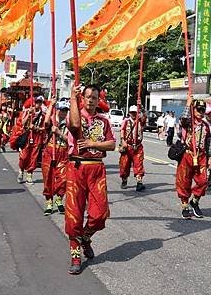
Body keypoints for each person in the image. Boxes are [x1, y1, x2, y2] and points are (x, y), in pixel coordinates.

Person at [65, 83, 116, 275]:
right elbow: (75, 125)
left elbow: (111, 145)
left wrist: (93, 143)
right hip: (77, 168)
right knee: (74, 214)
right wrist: (72, 97)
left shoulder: (103, 121)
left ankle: (85, 237)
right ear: (82, 98)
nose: (92, 100)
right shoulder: (75, 114)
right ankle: (76, 254)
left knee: (100, 214)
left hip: (96, 169)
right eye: (88, 97)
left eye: (95, 97)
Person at [175, 98, 211, 219]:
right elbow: (183, 119)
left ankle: (195, 201)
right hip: (187, 155)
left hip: (201, 156)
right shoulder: (188, 122)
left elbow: (209, 143)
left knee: (203, 180)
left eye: (203, 110)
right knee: (184, 181)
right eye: (198, 109)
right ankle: (185, 205)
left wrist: (210, 157)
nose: (201, 112)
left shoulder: (206, 126)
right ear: (193, 109)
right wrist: (188, 104)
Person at [41, 99, 69, 216]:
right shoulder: (52, 120)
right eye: (62, 110)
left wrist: (59, 132)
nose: (64, 112)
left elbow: (71, 141)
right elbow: (46, 123)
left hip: (63, 153)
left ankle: (59, 199)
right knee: (48, 178)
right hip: (49, 152)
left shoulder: (70, 124)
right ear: (57, 110)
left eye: (66, 110)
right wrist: (51, 105)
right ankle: (49, 203)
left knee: (63, 178)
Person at [17, 97, 46, 185]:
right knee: (24, 156)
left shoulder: (43, 115)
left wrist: (36, 128)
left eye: (40, 102)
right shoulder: (27, 111)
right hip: (27, 136)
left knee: (34, 157)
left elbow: (44, 127)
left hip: (37, 137)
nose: (38, 104)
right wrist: (29, 115)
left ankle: (29, 174)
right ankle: (21, 171)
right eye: (37, 102)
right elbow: (22, 123)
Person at [119, 105, 146, 191]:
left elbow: (144, 117)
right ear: (129, 113)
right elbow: (122, 130)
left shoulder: (140, 121)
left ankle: (139, 182)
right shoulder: (126, 121)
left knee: (138, 164)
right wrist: (123, 141)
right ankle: (124, 179)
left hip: (137, 147)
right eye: (132, 113)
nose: (134, 114)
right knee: (124, 165)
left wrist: (141, 107)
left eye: (135, 113)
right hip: (127, 146)